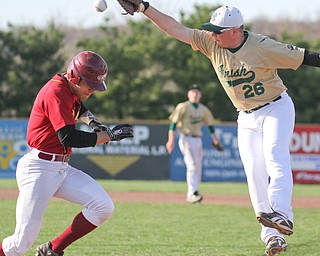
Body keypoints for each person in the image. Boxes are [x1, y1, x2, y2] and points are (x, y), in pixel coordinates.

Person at [131, 3, 320, 255]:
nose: (212, 34)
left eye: (218, 31)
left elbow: (307, 57)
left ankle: (283, 215)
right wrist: (144, 7)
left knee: (275, 157)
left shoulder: (262, 46)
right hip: (246, 115)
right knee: (254, 171)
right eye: (212, 30)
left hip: (276, 108)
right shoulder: (211, 43)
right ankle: (272, 236)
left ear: (235, 30)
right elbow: (174, 28)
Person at [0, 51, 134, 256]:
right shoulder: (56, 91)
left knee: (102, 206)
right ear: (74, 76)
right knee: (20, 243)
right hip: (38, 169)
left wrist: (94, 123)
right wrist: (108, 136)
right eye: (90, 84)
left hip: (60, 168)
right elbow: (68, 138)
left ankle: (52, 250)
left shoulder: (69, 87)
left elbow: (79, 107)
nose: (93, 90)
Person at [166, 84, 223, 203]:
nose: (195, 94)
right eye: (192, 92)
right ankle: (191, 193)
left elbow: (210, 126)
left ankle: (195, 190)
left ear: (200, 95)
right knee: (191, 165)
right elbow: (173, 124)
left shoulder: (203, 109)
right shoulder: (183, 107)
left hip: (197, 139)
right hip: (186, 137)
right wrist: (170, 140)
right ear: (188, 94)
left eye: (197, 92)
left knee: (197, 166)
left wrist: (215, 140)